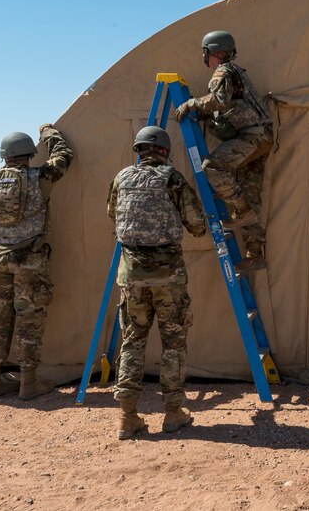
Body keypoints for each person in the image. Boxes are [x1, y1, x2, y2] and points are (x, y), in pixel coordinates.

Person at [107, 126, 207, 439]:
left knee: (132, 341)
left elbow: (112, 213)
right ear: (164, 150)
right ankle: (174, 413)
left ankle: (127, 417)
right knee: (173, 343)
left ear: (139, 150)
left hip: (132, 277)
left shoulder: (121, 177)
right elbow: (197, 225)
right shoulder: (172, 178)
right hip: (168, 278)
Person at [0, 124, 74, 400]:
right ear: (29, 154)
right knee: (28, 320)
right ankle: (28, 383)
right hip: (29, 259)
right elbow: (64, 155)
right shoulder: (39, 176)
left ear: (4, 155)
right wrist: (49, 133)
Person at [172, 30, 271, 272]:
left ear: (211, 52)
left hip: (251, 137)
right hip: (261, 137)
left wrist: (191, 104)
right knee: (250, 192)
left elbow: (219, 100)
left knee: (212, 167)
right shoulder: (237, 72)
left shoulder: (223, 71)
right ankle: (255, 253)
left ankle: (241, 211)